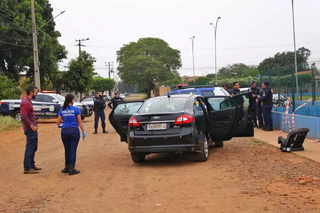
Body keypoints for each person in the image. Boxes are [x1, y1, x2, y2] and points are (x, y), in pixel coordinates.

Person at [56, 94, 86, 175]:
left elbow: (58, 122)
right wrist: (83, 131)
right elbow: (79, 121)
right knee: (73, 149)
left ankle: (67, 167)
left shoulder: (62, 109)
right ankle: (71, 169)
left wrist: (58, 125)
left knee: (67, 149)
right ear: (72, 100)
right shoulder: (76, 109)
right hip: (74, 131)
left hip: (64, 131)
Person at [21, 85, 41, 174]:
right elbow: (24, 116)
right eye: (36, 92)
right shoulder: (26, 102)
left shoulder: (28, 101)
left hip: (33, 128)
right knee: (30, 147)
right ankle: (27, 167)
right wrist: (31, 126)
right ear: (31, 93)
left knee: (34, 147)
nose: (36, 94)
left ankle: (32, 165)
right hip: (30, 129)